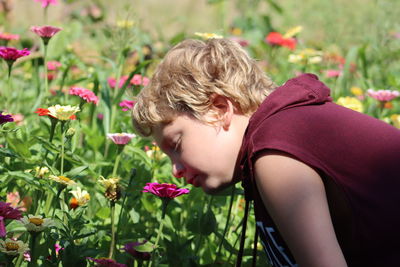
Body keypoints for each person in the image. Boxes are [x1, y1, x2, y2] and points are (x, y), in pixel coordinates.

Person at [131, 38, 400, 267]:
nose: (175, 170)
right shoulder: (279, 135)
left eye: (176, 145)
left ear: (220, 109)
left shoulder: (276, 151)